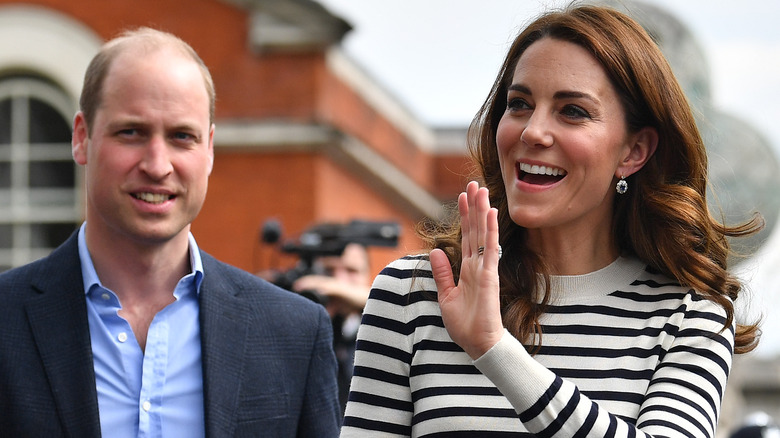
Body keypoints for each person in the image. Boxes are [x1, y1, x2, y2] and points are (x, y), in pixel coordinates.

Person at [340, 4, 762, 437]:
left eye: (572, 111)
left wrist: (494, 349)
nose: (532, 132)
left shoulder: (690, 317)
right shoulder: (412, 294)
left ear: (634, 152)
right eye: (519, 104)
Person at [0, 28, 341, 437]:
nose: (158, 165)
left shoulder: (294, 335)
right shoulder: (7, 320)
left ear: (209, 149)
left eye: (182, 136)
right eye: (132, 132)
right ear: (81, 137)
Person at [292, 242, 372, 414]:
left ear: (369, 275)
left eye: (351, 271)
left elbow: (384, 300)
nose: (339, 280)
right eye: (330, 271)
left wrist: (333, 289)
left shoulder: (377, 321)